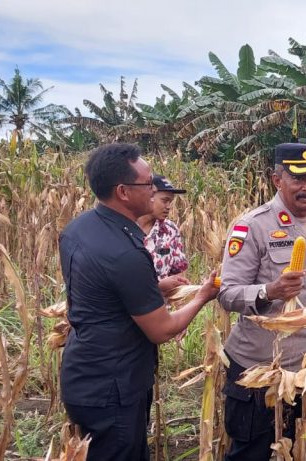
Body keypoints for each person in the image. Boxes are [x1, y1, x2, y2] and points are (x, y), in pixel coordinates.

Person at [57, 143, 219, 460]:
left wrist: (152, 288)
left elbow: (104, 292)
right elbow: (162, 330)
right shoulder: (125, 252)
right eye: (147, 184)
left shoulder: (78, 228)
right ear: (123, 191)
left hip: (83, 372)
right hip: (113, 385)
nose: (153, 189)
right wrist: (203, 296)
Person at [216, 143, 306, 460]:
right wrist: (269, 291)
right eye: (299, 178)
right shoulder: (252, 225)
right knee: (250, 452)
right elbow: (227, 294)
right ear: (276, 179)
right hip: (261, 367)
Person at [137, 175, 189, 292]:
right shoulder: (124, 227)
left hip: (162, 307)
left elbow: (178, 272)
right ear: (149, 196)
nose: (168, 207)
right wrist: (158, 286)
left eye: (170, 202)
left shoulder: (171, 230)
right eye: (164, 200)